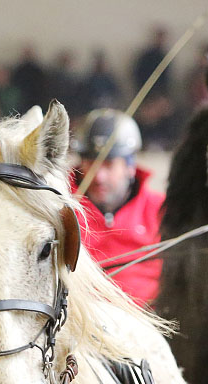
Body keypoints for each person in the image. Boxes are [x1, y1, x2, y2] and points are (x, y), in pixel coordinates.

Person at [71, 109, 164, 304]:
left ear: (130, 166)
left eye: (109, 164)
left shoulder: (160, 209)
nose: (98, 176)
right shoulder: (61, 206)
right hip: (78, 316)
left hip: (147, 316)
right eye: (90, 163)